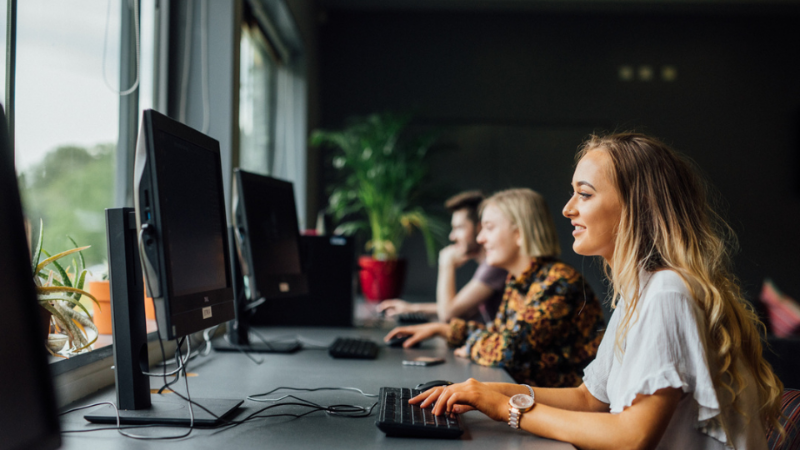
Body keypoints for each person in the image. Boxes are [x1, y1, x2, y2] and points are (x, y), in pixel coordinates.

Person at [411, 133, 784, 449]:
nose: (567, 208)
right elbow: (590, 399)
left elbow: (633, 436)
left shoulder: (668, 292)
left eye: (584, 195)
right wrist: (489, 393)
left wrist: (510, 410)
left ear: (636, 207)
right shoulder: (637, 292)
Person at [385, 188, 605, 388]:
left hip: (565, 415)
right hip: (530, 401)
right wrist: (441, 330)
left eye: (488, 228)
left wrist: (470, 347)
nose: (481, 238)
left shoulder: (559, 283)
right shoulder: (517, 280)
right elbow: (498, 334)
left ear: (519, 234)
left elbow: (509, 350)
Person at [377, 191, 507, 323]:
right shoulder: (489, 265)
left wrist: (446, 264)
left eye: (459, 228)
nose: (452, 236)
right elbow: (462, 308)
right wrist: (412, 308)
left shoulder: (494, 266)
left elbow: (447, 314)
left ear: (479, 228)